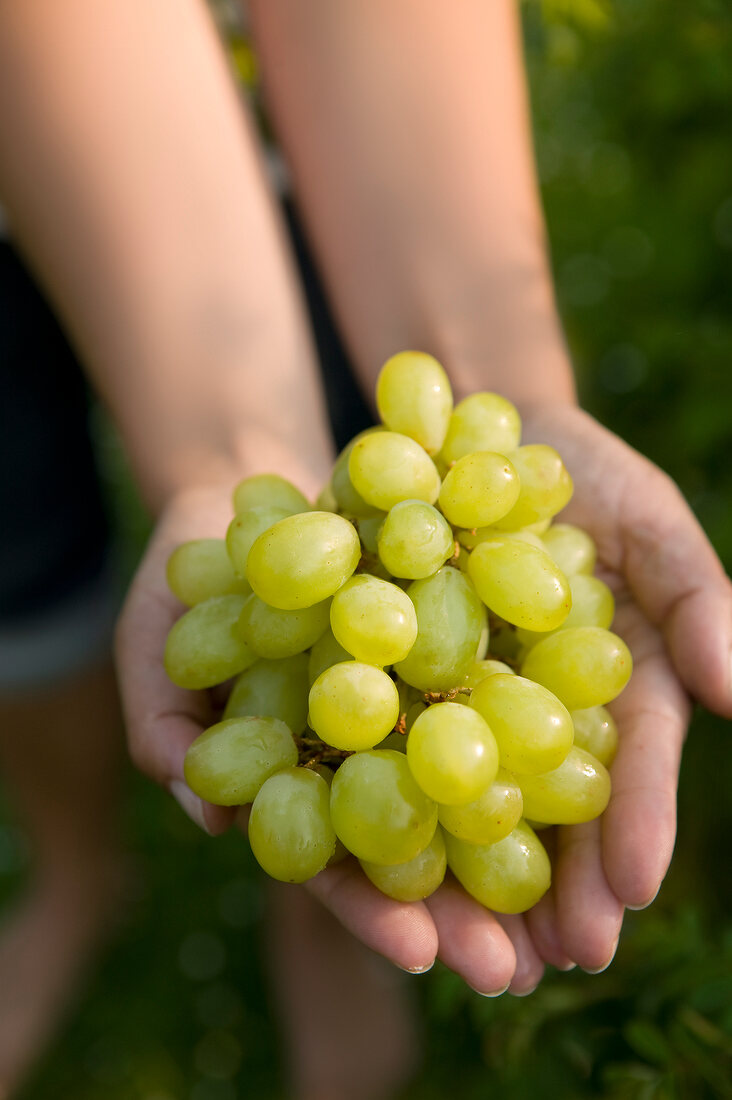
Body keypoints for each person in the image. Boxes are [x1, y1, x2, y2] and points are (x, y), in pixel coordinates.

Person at [1, 0, 731, 1095]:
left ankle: (312, 909)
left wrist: (484, 378)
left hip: (300, 146)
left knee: (342, 414)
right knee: (20, 572)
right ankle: (75, 866)